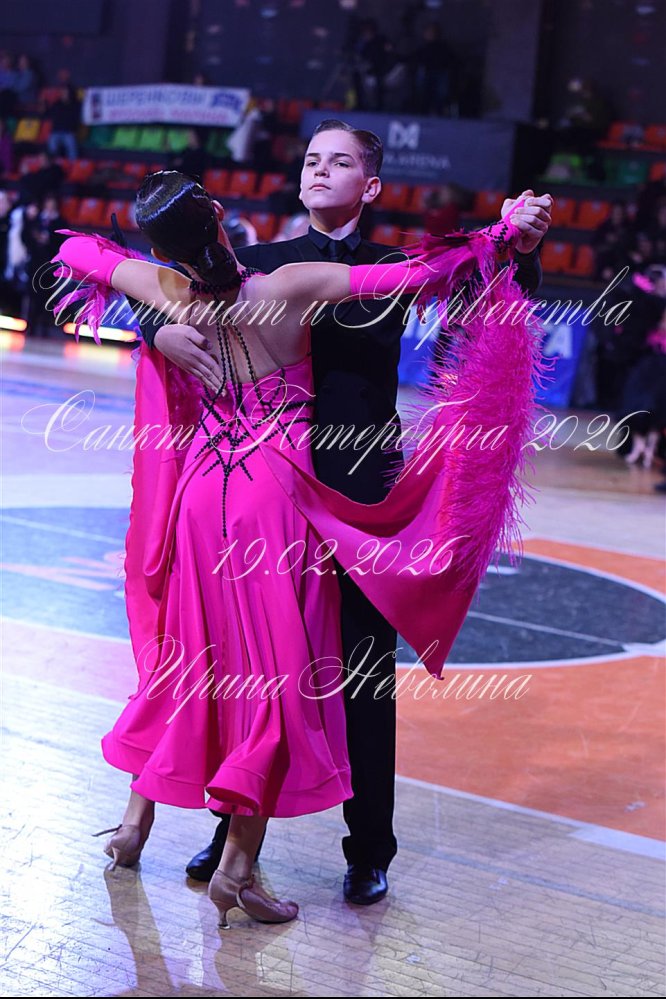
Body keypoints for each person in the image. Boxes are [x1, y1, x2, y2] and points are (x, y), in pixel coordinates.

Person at [52, 170, 542, 929]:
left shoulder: (166, 291)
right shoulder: (290, 284)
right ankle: (237, 870)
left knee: (193, 660)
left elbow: (79, 252)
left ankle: (132, 827)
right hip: (273, 500)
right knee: (277, 680)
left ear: (163, 248)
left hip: (199, 497)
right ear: (220, 215)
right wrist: (504, 233)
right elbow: (419, 275)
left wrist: (156, 316)